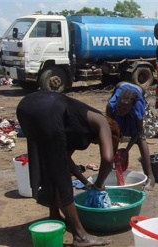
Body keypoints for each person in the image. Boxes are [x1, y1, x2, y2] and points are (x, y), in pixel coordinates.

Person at [16, 91, 118, 247]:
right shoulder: (101, 121)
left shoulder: (74, 124)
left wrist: (86, 182)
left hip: (26, 107)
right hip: (46, 109)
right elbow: (108, 159)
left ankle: (54, 214)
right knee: (61, 175)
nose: (98, 144)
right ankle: (80, 236)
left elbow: (66, 158)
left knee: (51, 163)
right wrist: (98, 185)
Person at [106, 82, 156, 190]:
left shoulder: (137, 109)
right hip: (120, 85)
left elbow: (138, 132)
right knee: (113, 135)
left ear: (131, 108)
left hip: (139, 91)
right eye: (119, 107)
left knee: (141, 139)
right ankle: (109, 169)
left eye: (124, 109)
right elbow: (109, 128)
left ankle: (151, 177)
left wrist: (126, 150)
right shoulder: (111, 105)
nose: (120, 111)